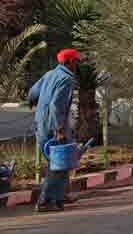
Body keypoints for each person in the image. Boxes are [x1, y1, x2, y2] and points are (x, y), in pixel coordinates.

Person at [27, 49, 81, 213]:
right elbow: (56, 105)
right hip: (53, 126)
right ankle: (45, 201)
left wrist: (37, 107)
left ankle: (61, 195)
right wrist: (58, 129)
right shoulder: (66, 79)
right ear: (69, 62)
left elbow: (33, 93)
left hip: (41, 123)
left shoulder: (50, 74)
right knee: (58, 163)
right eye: (76, 61)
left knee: (60, 161)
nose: (77, 65)